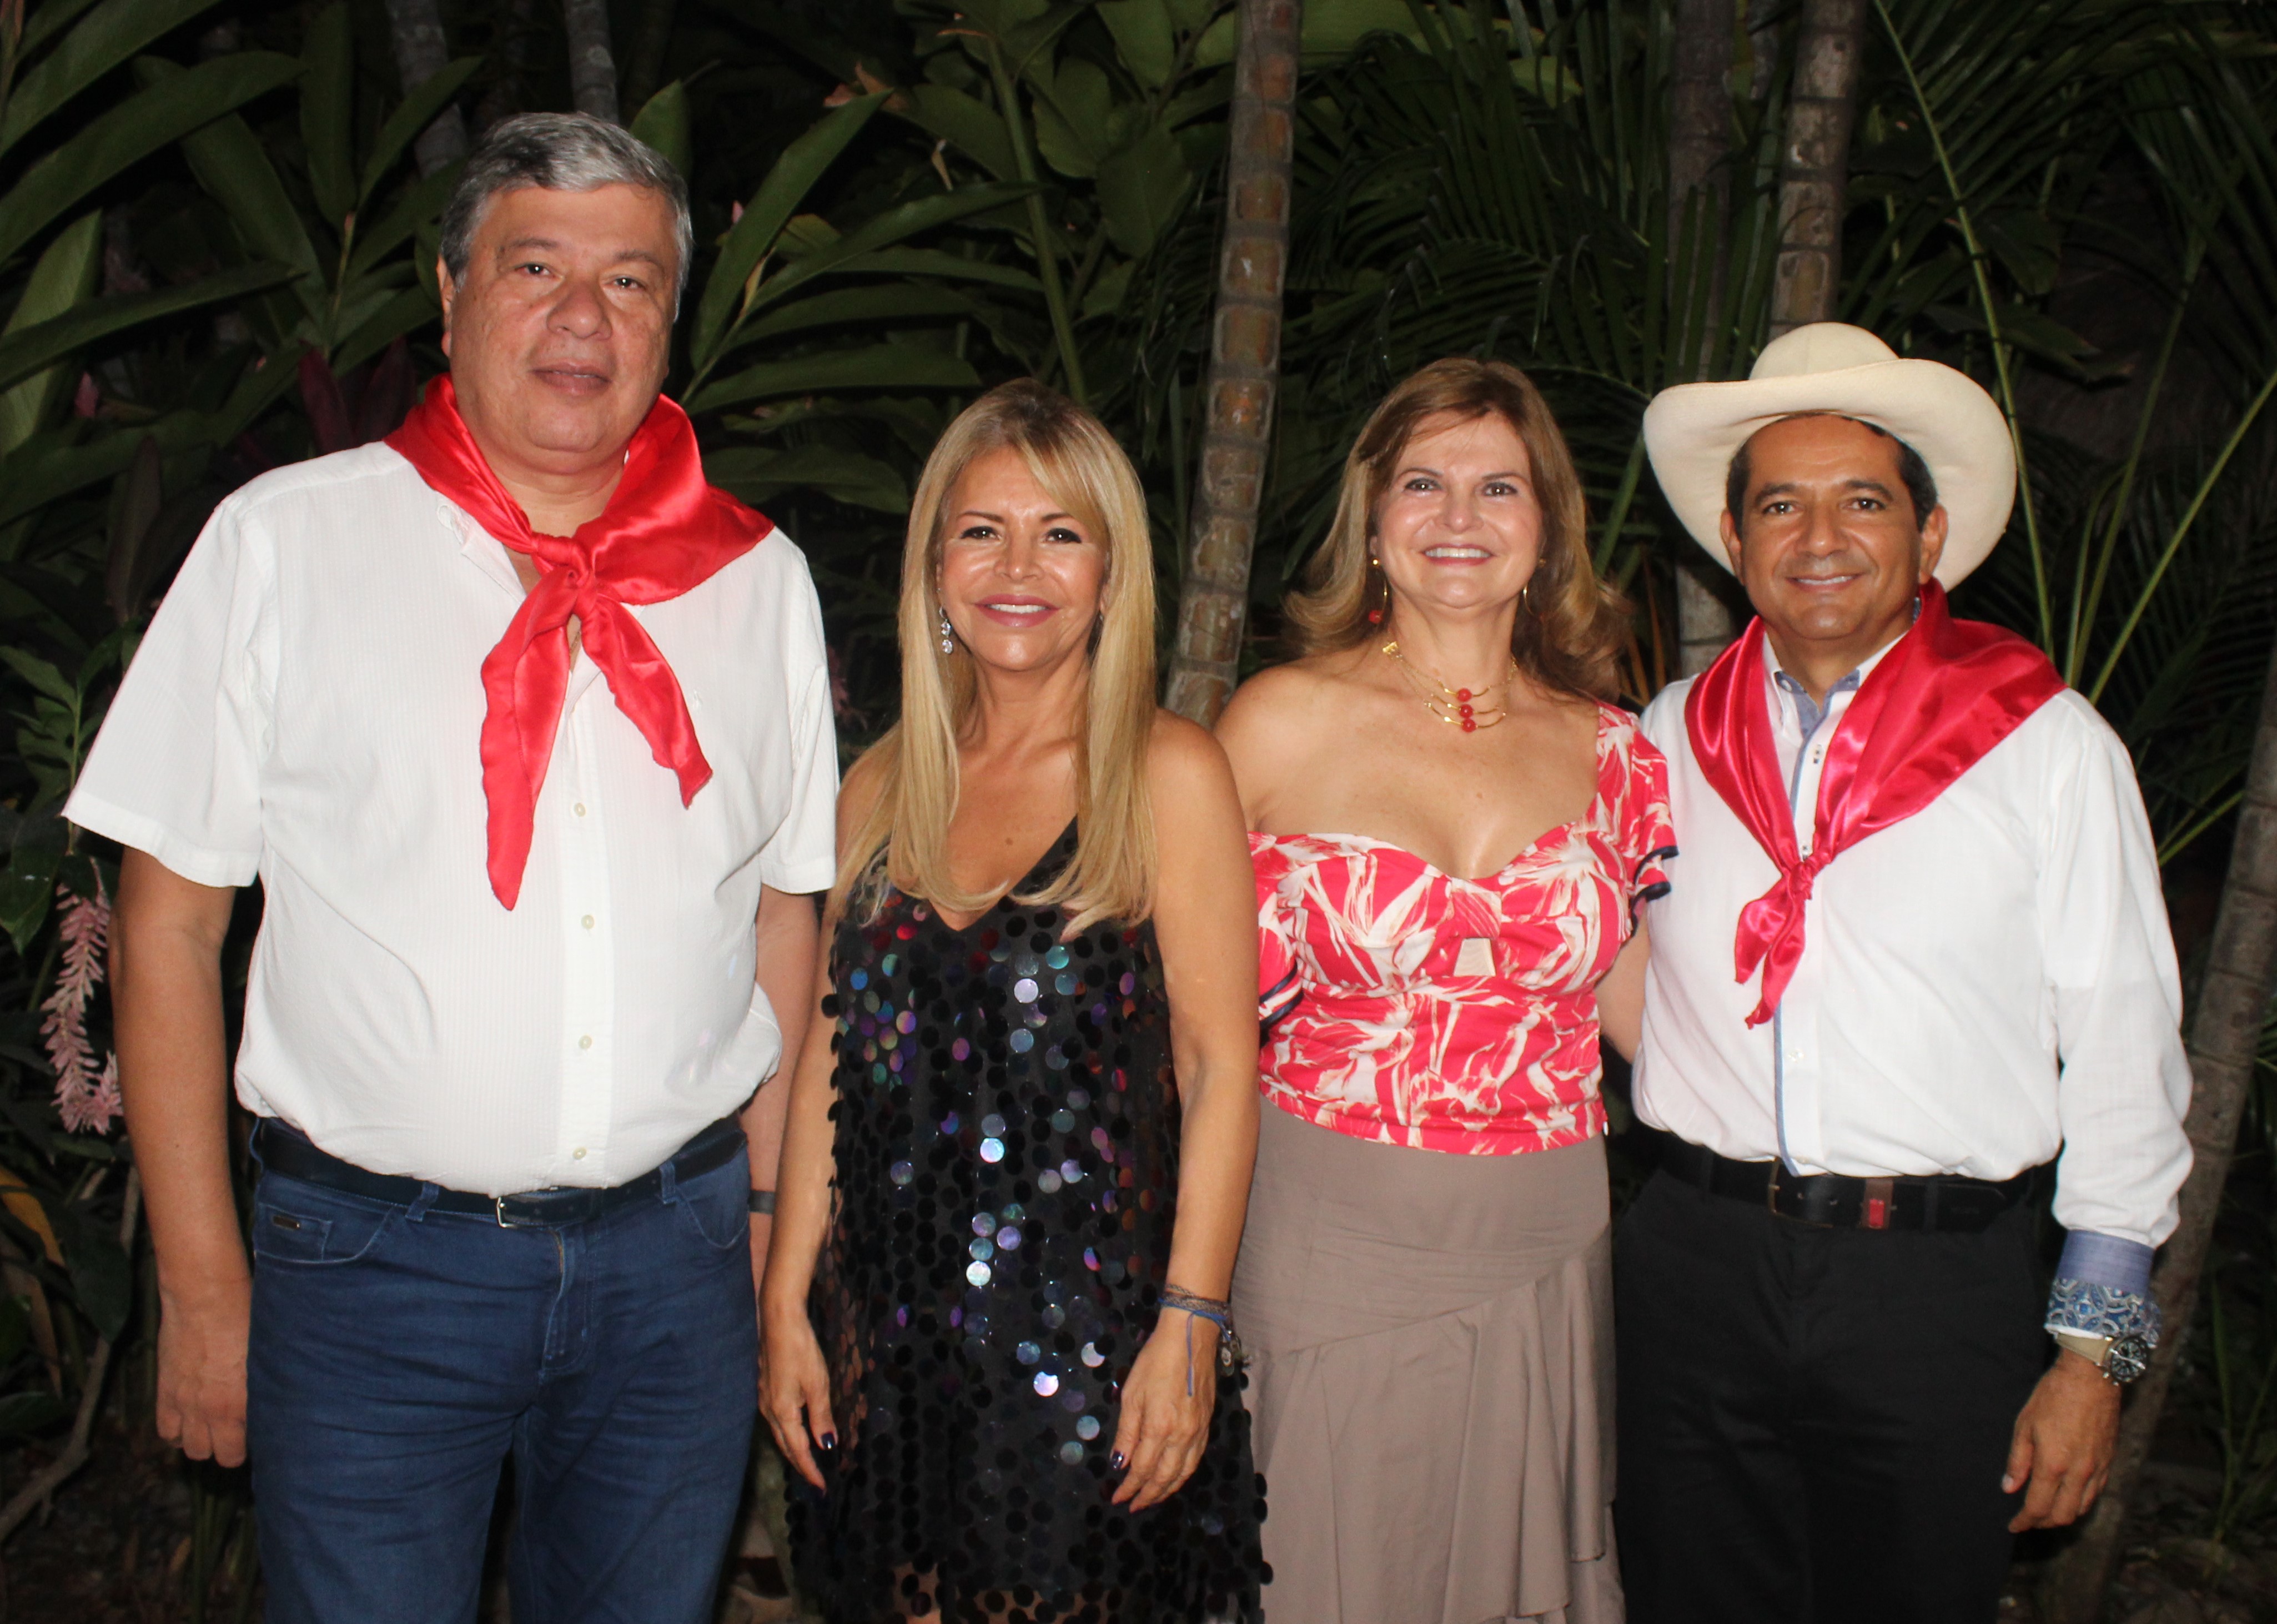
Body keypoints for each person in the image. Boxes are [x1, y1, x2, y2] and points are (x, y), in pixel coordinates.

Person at [69, 113, 837, 1623]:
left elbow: (780, 908)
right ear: (446, 293)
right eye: (533, 264)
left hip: (671, 1268)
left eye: (627, 282)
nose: (577, 316)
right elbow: (167, 931)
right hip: (368, 1271)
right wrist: (205, 1283)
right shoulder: (286, 545)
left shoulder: (756, 579)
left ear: (668, 322)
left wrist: (755, 1231)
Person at [1617, 323, 2194, 1623]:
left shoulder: (2043, 744)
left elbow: (2123, 1050)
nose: (1818, 535)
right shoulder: (1663, 739)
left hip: (1934, 1289)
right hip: (1694, 1265)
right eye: (1780, 503)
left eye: (1861, 500)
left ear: (1927, 539)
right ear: (1733, 536)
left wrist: (2092, 1359)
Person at [759, 380, 1268, 1623]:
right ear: (935, 566)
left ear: (1109, 572)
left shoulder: (1165, 771)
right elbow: (835, 1051)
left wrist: (1188, 1322)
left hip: (1086, 1343)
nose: (1017, 565)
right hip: (886, 1336)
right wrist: (782, 1296)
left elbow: (1217, 1068)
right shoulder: (877, 786)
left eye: (1060, 531)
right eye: (981, 529)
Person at [1214, 356, 1673, 1623]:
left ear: (1544, 529)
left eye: (1495, 485)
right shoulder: (1274, 721)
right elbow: (1175, 1016)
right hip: (1325, 1235)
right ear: (1371, 519)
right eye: (1422, 481)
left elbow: (1653, 1029)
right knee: (1314, 1565)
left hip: (1544, 1238)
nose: (1457, 515)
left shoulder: (1615, 750)